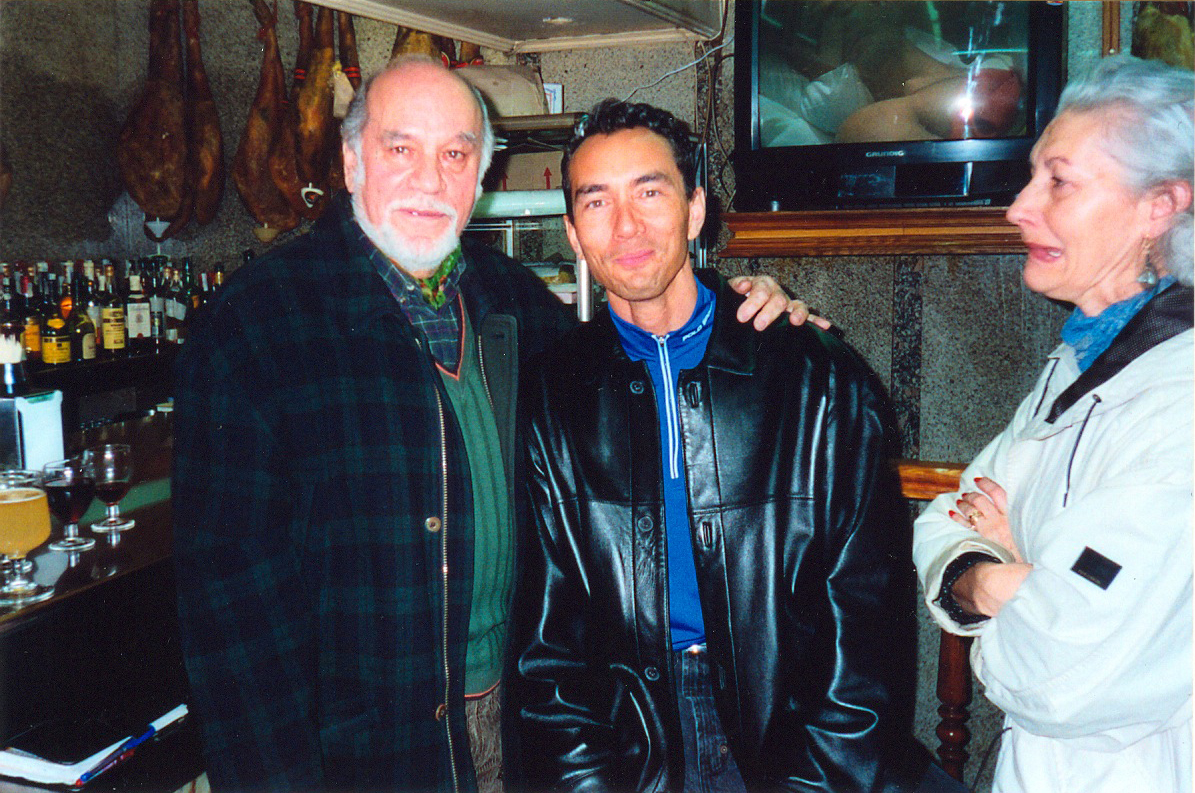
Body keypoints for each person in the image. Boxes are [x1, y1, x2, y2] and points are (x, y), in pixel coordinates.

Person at [172, 56, 810, 791]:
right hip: (362, 746)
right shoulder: (256, 325)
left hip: (523, 721)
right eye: (399, 148)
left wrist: (750, 314)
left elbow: (642, 333)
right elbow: (230, 612)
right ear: (351, 162)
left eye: (455, 153)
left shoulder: (515, 303)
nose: (430, 178)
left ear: (481, 176)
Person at [506, 98, 933, 792]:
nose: (627, 226)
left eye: (650, 191)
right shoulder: (553, 392)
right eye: (596, 202)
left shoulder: (814, 376)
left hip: (787, 729)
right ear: (571, 233)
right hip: (631, 736)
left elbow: (864, 638)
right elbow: (550, 651)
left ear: (695, 209)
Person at [913, 55, 1193, 793]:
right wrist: (1013, 577)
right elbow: (943, 517)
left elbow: (1057, 675)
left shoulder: (1180, 401)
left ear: (1159, 205)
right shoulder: (1079, 357)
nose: (1018, 206)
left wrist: (987, 584)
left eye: (1058, 182)